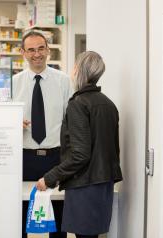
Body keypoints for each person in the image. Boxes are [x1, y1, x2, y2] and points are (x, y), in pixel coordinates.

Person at [36, 51, 123, 238]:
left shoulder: (78, 104)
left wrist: (50, 178)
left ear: (78, 70)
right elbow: (112, 149)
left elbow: (80, 155)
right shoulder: (108, 104)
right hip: (103, 184)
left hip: (85, 186)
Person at [13, 31, 73, 238]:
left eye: (40, 48)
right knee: (19, 214)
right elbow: (1, 120)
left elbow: (72, 120)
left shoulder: (63, 81)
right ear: (22, 53)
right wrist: (12, 123)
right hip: (24, 157)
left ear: (48, 50)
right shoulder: (14, 83)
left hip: (55, 158)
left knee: (57, 215)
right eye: (31, 50)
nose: (36, 54)